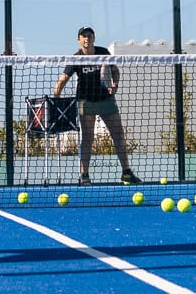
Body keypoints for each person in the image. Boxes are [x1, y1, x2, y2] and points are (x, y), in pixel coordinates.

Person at [53, 26, 141, 186]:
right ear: (79, 39)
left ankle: (127, 173)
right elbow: (63, 78)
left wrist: (115, 85)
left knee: (119, 135)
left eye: (89, 35)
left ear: (94, 38)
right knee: (87, 138)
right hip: (86, 102)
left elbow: (115, 70)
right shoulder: (76, 58)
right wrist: (56, 97)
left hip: (106, 100)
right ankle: (84, 175)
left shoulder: (103, 52)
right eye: (83, 36)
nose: (87, 38)